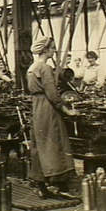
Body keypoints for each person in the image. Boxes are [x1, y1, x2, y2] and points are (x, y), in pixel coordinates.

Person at [27, 36, 80, 199]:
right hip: (48, 108)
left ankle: (41, 185)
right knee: (55, 143)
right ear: (45, 50)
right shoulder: (45, 68)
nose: (54, 50)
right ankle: (59, 184)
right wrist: (68, 111)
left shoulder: (31, 67)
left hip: (37, 107)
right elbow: (53, 95)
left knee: (40, 145)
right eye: (52, 48)